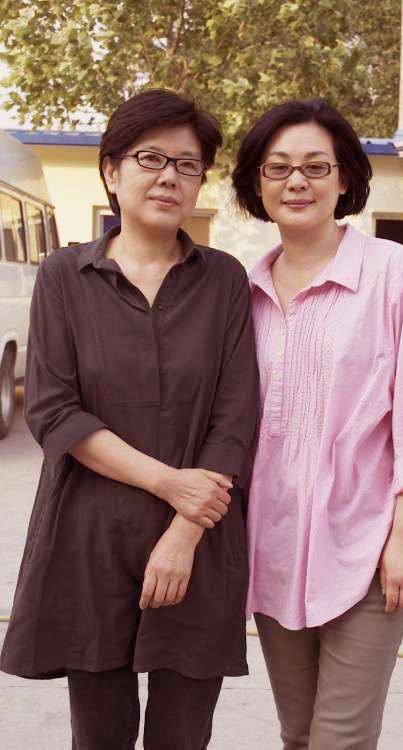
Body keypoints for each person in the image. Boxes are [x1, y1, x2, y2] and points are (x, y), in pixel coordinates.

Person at [1, 88, 259, 750]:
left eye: (187, 164)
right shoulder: (64, 276)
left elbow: (235, 417)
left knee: (182, 736)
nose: (169, 176)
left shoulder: (225, 280)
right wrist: (171, 484)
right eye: (150, 158)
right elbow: (55, 411)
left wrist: (184, 531)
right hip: (88, 536)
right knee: (100, 734)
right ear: (111, 172)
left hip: (200, 540)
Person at [232, 98, 403, 750]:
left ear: (343, 180)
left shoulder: (392, 272)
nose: (296, 181)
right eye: (278, 167)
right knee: (298, 733)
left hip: (366, 548)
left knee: (341, 739)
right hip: (273, 548)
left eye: (315, 166)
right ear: (257, 182)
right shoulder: (242, 290)